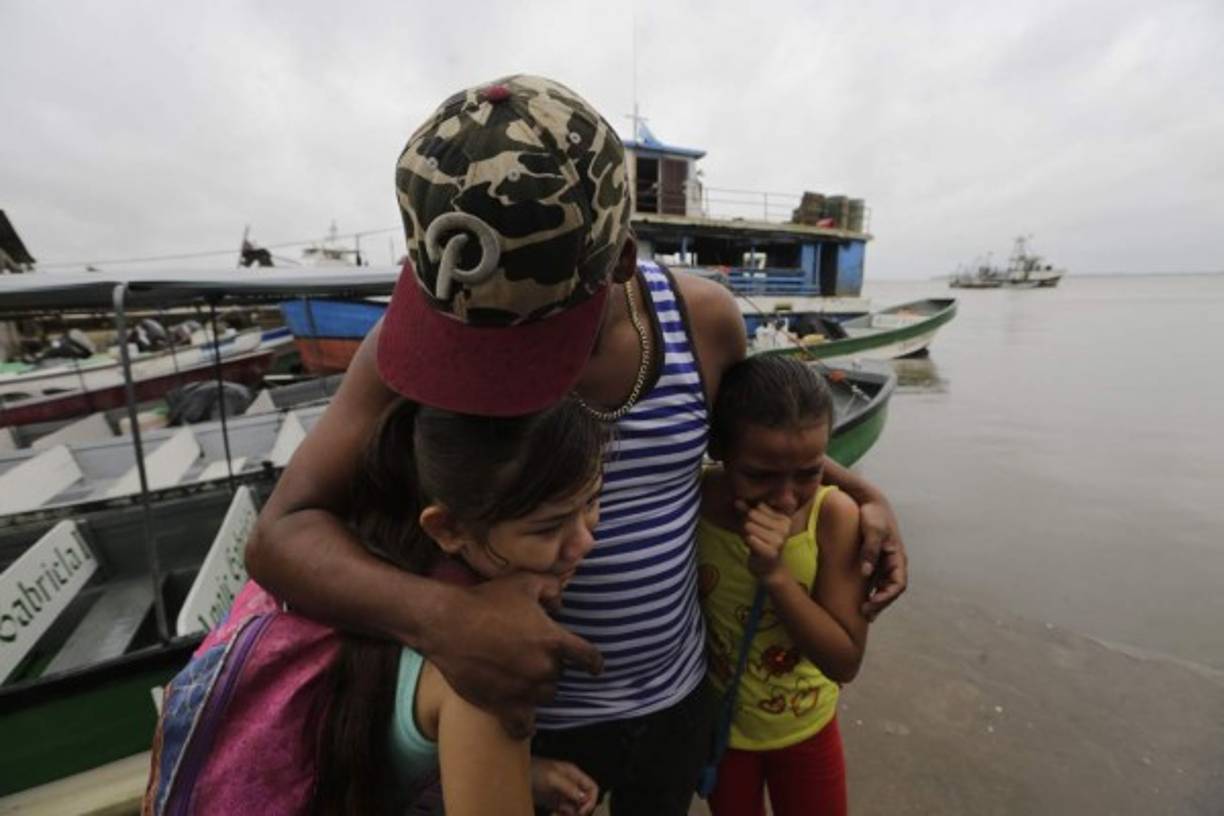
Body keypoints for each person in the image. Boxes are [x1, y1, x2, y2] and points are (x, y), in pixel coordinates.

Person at [245, 74, 907, 813]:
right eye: (472, 333)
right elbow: (280, 535)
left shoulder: (703, 323)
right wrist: (444, 619)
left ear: (619, 262)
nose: (495, 362)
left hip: (677, 695)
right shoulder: (414, 351)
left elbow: (754, 453)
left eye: (531, 331)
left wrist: (862, 493)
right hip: (523, 719)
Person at [147, 398, 606, 816]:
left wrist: (516, 774)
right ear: (447, 529)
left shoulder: (338, 574)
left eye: (592, 501)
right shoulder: (489, 669)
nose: (585, 541)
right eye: (547, 529)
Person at [698, 356, 868, 816]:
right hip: (723, 732)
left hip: (807, 729)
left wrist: (775, 575)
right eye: (759, 475)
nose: (786, 498)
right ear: (719, 450)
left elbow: (844, 660)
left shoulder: (832, 517)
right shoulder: (695, 502)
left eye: (809, 472)